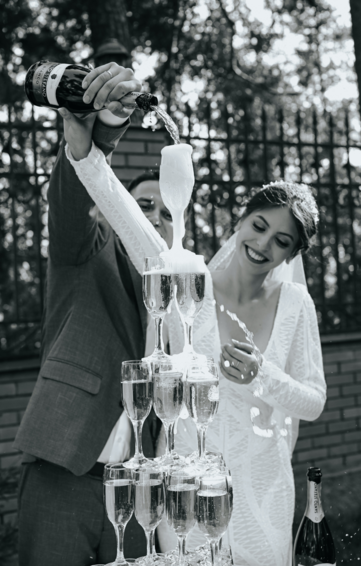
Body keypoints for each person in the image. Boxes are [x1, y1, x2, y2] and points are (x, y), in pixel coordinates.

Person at [65, 115, 327, 566]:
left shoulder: (296, 304)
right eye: (260, 225)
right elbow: (124, 216)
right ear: (242, 218)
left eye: (282, 240)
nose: (264, 244)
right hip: (187, 491)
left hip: (265, 490)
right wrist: (84, 151)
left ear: (292, 253)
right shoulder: (185, 277)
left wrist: (262, 374)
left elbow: (314, 401)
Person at [13, 62, 173, 566]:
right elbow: (70, 198)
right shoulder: (84, 249)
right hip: (67, 471)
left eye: (166, 212)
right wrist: (92, 140)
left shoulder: (184, 298)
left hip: (144, 493)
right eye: (142, 203)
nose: (151, 217)